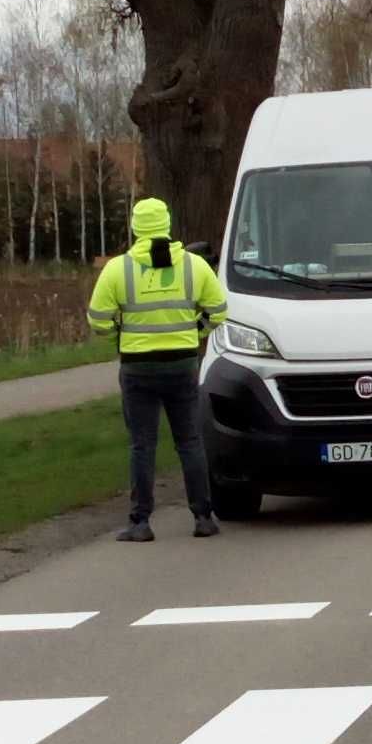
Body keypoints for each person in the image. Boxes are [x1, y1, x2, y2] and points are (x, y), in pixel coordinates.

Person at [88, 195, 227, 540]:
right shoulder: (194, 265)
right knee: (190, 441)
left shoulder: (118, 269)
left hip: (137, 367)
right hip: (181, 364)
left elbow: (98, 320)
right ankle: (203, 517)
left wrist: (119, 336)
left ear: (136, 228)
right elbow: (219, 310)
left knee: (142, 445)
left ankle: (140, 522)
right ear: (167, 225)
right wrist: (196, 332)